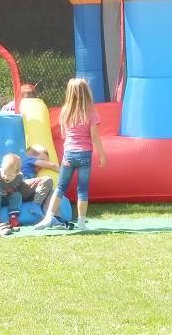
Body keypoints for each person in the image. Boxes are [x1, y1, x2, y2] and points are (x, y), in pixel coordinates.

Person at [34, 78, 106, 230]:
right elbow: (94, 137)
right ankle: (81, 222)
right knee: (82, 189)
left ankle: (49, 217)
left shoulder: (65, 111)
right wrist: (102, 155)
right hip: (84, 155)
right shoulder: (90, 113)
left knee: (60, 187)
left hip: (69, 154)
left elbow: (64, 134)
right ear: (86, 92)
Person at [0, 153, 26, 227]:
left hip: (5, 199)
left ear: (17, 173)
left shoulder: (19, 178)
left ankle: (13, 217)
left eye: (10, 175)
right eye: (4, 172)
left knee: (17, 195)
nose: (6, 177)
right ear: (1, 167)